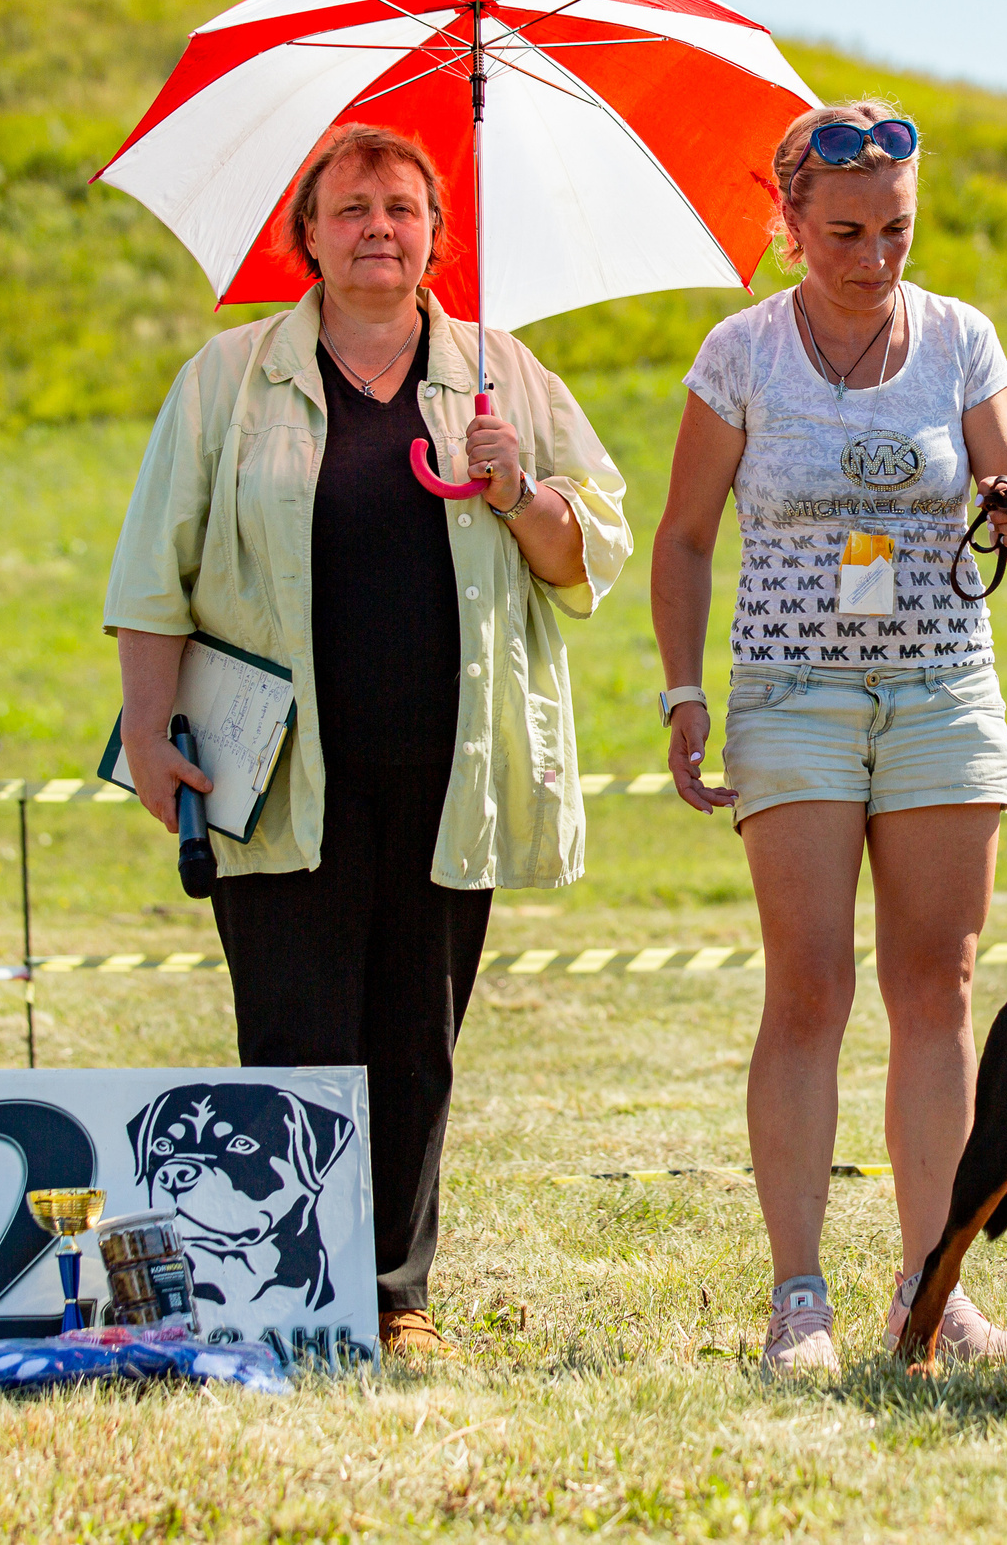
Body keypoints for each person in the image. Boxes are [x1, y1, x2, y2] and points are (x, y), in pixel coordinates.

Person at [104, 123, 631, 1353]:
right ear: (307, 236)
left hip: (453, 773)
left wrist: (518, 490)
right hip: (279, 771)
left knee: (413, 1040)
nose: (378, 228)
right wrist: (146, 727)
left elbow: (582, 557)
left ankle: (395, 1301)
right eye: (350, 209)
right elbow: (151, 572)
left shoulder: (504, 375)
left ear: (437, 234)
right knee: (292, 1033)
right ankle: (286, 1301)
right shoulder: (227, 379)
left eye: (402, 207)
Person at [650, 100, 1007, 1375]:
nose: (874, 259)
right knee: (809, 990)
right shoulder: (739, 355)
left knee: (935, 992)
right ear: (788, 225)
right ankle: (799, 1302)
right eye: (843, 234)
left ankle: (928, 1295)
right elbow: (684, 539)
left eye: (895, 230)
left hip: (939, 688)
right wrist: (682, 693)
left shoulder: (960, 338)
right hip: (794, 696)